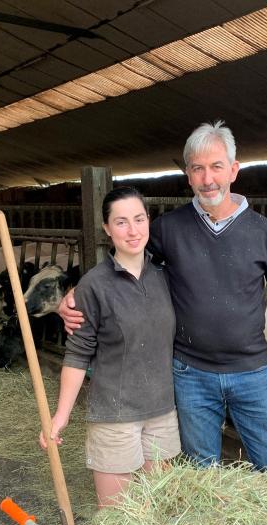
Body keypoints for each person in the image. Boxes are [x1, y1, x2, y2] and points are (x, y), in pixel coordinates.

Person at [59, 121, 267, 472]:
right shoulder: (167, 229)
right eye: (198, 169)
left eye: (216, 167)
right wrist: (75, 294)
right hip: (191, 373)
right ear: (188, 176)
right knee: (200, 476)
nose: (208, 179)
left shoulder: (261, 231)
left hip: (252, 371)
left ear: (234, 171)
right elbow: (125, 263)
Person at [40, 187, 180, 508]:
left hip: (162, 414)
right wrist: (60, 417)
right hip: (114, 416)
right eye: (120, 222)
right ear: (106, 229)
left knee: (159, 511)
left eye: (139, 219)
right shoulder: (94, 284)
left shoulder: (165, 275)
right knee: (119, 520)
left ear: (149, 221)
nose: (132, 230)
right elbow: (77, 353)